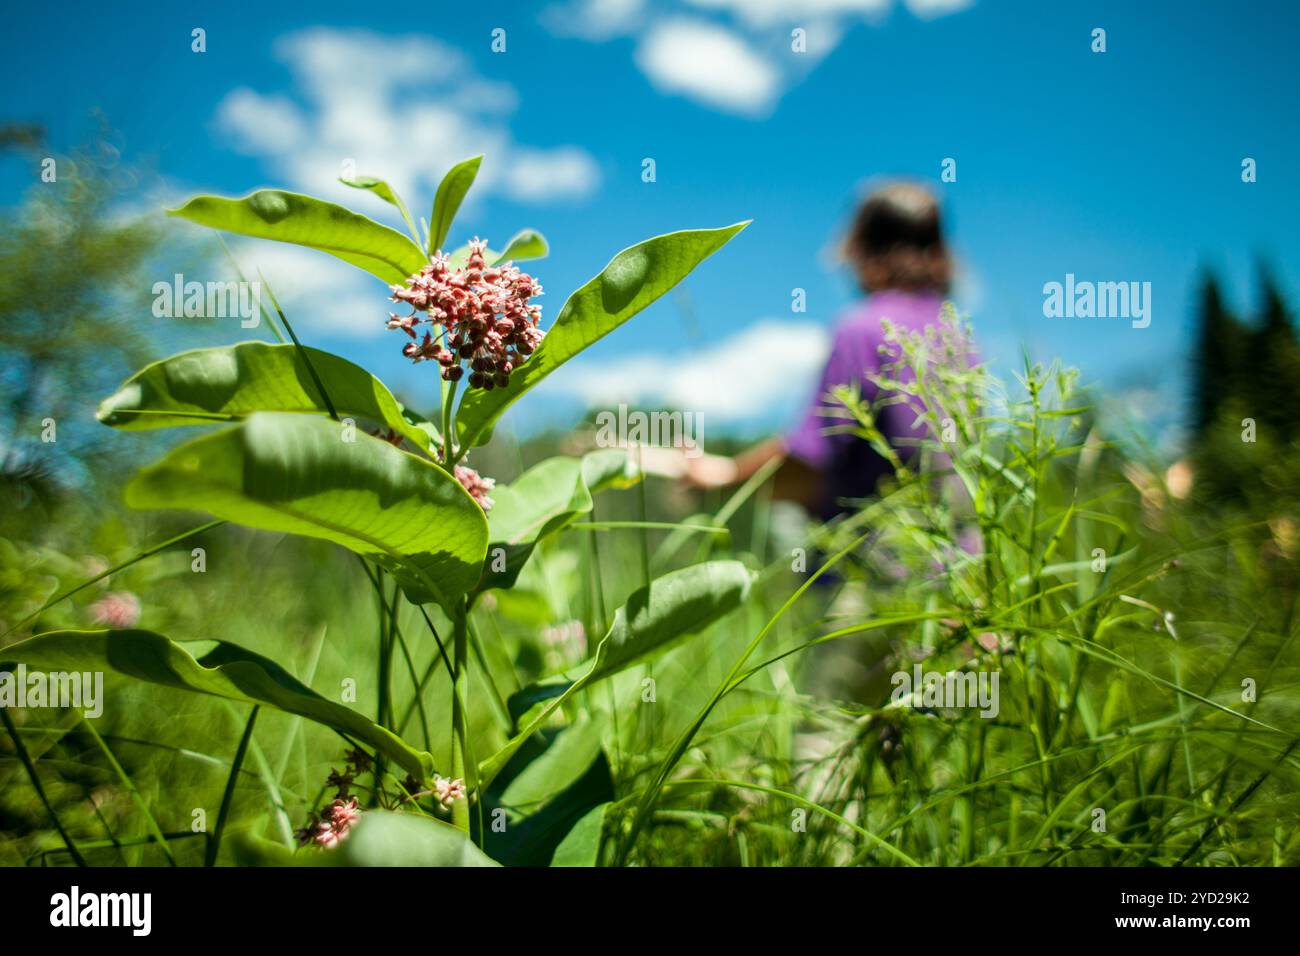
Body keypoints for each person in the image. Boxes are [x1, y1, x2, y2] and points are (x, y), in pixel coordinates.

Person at [684, 182, 955, 519]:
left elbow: (808, 462)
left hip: (873, 564)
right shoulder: (958, 339)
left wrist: (722, 478)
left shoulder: (865, 330)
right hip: (961, 562)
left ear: (858, 247)